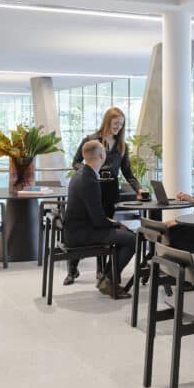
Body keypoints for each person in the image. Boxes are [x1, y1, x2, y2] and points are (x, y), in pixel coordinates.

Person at [65, 107, 141, 285]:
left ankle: (102, 271)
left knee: (103, 228)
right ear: (107, 121)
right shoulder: (92, 141)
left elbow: (127, 172)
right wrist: (89, 173)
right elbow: (76, 162)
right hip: (92, 186)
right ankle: (72, 269)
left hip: (109, 191)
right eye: (116, 123)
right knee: (91, 222)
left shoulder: (122, 146)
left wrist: (138, 188)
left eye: (121, 125)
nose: (118, 127)